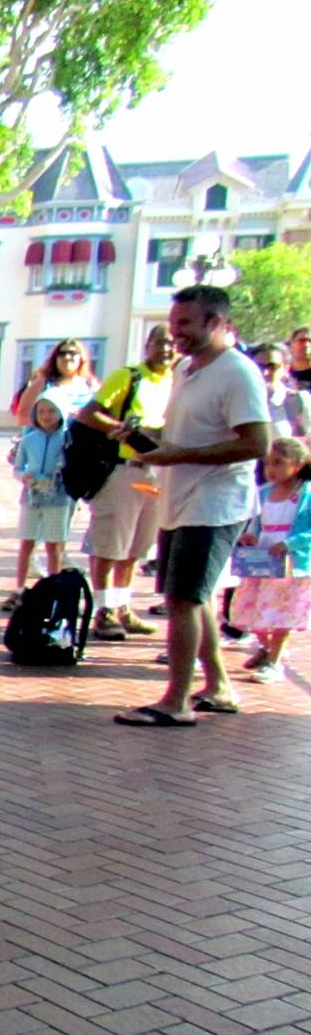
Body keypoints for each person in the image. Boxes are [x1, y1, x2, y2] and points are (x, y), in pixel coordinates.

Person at [115, 285, 270, 728]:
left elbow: (256, 443)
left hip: (214, 501)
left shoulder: (238, 372)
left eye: (185, 323)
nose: (174, 332)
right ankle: (217, 686)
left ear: (216, 323)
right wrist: (148, 437)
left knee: (183, 598)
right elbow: (184, 432)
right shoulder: (187, 369)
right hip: (180, 498)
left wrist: (178, 455)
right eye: (173, 321)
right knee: (194, 597)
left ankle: (176, 700)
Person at [74, 324, 174, 641]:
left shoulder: (178, 381)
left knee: (136, 546)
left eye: (172, 344)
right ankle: (102, 610)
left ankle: (123, 606)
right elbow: (88, 413)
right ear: (148, 345)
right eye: (161, 343)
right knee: (110, 543)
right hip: (123, 469)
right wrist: (122, 430)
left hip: (157, 471)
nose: (167, 349)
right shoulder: (129, 376)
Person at [235, 435, 311, 683]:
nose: (271, 469)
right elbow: (256, 522)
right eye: (268, 463)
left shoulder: (305, 494)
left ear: (297, 464)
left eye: (279, 462)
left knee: (281, 615)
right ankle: (265, 648)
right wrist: (250, 536)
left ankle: (275, 661)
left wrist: (289, 544)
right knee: (255, 611)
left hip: (289, 565)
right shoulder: (263, 492)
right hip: (262, 560)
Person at [4, 393, 73, 610]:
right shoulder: (29, 438)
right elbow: (17, 468)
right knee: (27, 542)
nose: (46, 416)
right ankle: (20, 587)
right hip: (32, 497)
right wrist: (24, 477)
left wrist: (61, 474)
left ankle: (54, 586)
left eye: (52, 411)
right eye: (41, 411)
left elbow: (73, 465)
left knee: (54, 544)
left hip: (58, 496)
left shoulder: (68, 438)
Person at [14, 338, 97, 426]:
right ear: (55, 359)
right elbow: (23, 415)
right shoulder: (43, 383)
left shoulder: (91, 385)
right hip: (51, 438)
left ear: (81, 358)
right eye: (62, 354)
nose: (67, 357)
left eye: (72, 353)